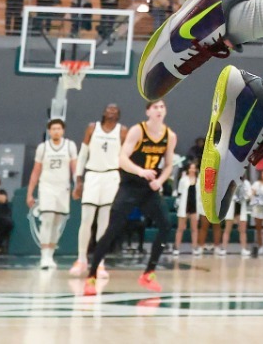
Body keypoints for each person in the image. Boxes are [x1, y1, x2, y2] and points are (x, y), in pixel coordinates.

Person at [82, 100, 175, 295]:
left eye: (162, 107)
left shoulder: (170, 136)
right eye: (155, 107)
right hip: (130, 187)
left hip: (149, 189)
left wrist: (161, 180)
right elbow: (122, 159)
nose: (159, 110)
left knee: (166, 224)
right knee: (111, 231)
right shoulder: (137, 131)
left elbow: (168, 165)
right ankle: (91, 275)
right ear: (148, 111)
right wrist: (141, 172)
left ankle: (149, 273)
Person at [70, 104, 123, 276]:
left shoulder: (123, 131)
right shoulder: (93, 128)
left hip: (112, 176)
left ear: (119, 115)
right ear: (103, 112)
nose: (112, 110)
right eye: (109, 108)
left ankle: (100, 262)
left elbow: (125, 157)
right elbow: (83, 155)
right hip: (93, 175)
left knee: (104, 222)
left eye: (115, 109)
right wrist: (78, 179)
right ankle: (81, 259)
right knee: (86, 219)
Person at [27, 117, 79, 269]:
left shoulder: (70, 146)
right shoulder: (43, 148)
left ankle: (50, 255)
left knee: (57, 223)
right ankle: (44, 256)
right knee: (47, 219)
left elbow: (75, 169)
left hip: (63, 187)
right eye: (53, 129)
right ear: (49, 131)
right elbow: (36, 172)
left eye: (59, 128)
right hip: (47, 186)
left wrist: (77, 186)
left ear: (63, 131)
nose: (56, 131)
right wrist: (30, 193)